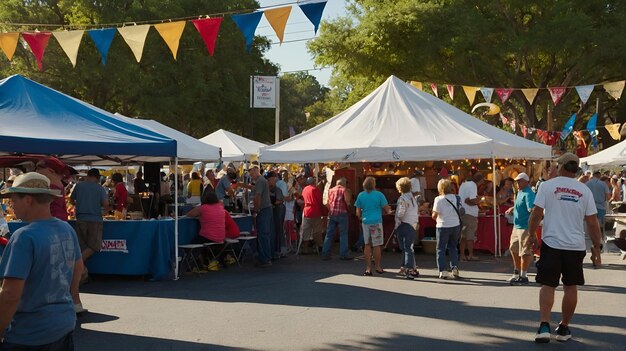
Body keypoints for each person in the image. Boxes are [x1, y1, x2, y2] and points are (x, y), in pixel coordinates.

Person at [0, 172, 83, 349]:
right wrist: (69, 297)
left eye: (13, 200)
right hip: (63, 323)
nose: (11, 205)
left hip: (29, 333)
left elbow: (10, 295)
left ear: (28, 200)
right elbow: (78, 268)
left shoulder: (23, 237)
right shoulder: (66, 228)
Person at [528, 153, 603, 343]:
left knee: (548, 285)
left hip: (552, 243)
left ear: (560, 166)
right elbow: (592, 221)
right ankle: (563, 328)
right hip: (575, 246)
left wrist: (531, 234)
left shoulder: (547, 186)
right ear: (576, 169)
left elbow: (536, 214)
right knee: (571, 286)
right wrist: (597, 244)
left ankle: (544, 325)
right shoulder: (584, 190)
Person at [69, 168, 109, 313]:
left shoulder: (78, 186)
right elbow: (106, 205)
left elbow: (71, 200)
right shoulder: (99, 188)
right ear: (97, 177)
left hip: (80, 219)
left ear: (88, 176)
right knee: (94, 246)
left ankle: (81, 272)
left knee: (82, 245)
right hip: (94, 220)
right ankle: (78, 267)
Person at [354, 176, 390, 276]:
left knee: (367, 245)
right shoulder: (379, 195)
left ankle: (368, 268)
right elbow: (387, 208)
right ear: (374, 185)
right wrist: (389, 211)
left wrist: (361, 218)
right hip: (376, 222)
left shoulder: (361, 195)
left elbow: (357, 212)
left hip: (366, 222)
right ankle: (378, 266)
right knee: (377, 245)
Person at [504, 172, 535, 285]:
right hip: (517, 226)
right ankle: (517, 273)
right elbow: (520, 204)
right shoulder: (520, 192)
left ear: (525, 181)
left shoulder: (529, 193)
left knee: (525, 252)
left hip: (525, 227)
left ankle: (523, 275)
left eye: (519, 181)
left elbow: (532, 209)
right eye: (516, 181)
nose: (517, 183)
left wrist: (532, 228)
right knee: (514, 248)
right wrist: (513, 208)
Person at [242, 163, 273, 267]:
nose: (251, 175)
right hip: (265, 209)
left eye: (252, 173)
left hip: (263, 210)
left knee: (263, 235)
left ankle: (265, 259)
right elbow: (253, 189)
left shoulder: (260, 181)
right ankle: (265, 257)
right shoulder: (260, 181)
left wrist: (255, 210)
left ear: (256, 170)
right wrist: (241, 185)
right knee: (263, 234)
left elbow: (258, 196)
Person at [432, 179, 461, 279]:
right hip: (455, 225)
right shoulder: (456, 197)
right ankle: (454, 267)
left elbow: (434, 215)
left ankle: (442, 270)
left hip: (443, 225)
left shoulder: (438, 199)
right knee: (453, 247)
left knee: (441, 248)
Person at [394, 177, 420, 279]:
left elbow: (401, 213)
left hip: (404, 224)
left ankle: (408, 269)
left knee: (406, 248)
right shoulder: (413, 198)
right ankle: (410, 268)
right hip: (412, 224)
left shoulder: (402, 198)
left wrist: (398, 219)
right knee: (409, 247)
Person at [321, 177, 353, 260]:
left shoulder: (330, 190)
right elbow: (347, 202)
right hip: (342, 214)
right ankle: (343, 254)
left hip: (332, 214)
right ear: (343, 183)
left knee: (329, 234)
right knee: (343, 234)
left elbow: (327, 203)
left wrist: (331, 209)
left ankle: (325, 253)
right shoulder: (344, 190)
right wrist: (349, 208)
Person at [459, 172, 483, 261]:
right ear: (480, 181)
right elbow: (472, 200)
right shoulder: (473, 185)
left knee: (463, 236)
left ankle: (462, 255)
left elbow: (466, 199)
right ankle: (470, 255)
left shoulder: (463, 184)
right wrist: (479, 200)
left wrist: (471, 200)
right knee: (470, 236)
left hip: (463, 212)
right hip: (470, 213)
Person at [300, 177, 324, 254]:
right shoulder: (315, 189)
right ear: (313, 182)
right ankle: (319, 247)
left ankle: (305, 249)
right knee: (317, 231)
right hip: (315, 211)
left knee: (306, 231)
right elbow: (320, 201)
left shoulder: (304, 189)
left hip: (306, 211)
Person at [585, 171, 610, 244]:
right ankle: (600, 240)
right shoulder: (603, 184)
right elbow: (608, 196)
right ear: (599, 176)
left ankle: (592, 239)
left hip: (589, 207)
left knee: (591, 223)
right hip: (601, 207)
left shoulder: (587, 184)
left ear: (593, 176)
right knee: (600, 225)